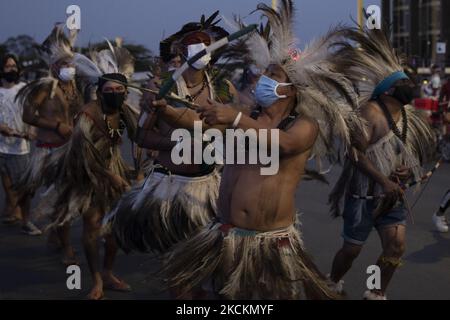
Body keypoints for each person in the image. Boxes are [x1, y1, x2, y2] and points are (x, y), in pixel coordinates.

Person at [154, 0, 363, 299]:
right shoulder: (248, 115)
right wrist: (165, 111)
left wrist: (235, 118)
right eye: (265, 73)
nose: (264, 79)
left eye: (274, 76)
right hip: (223, 234)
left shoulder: (303, 125)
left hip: (267, 242)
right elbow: (198, 123)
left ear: (291, 89)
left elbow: (285, 144)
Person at [108, 11, 237, 255]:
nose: (200, 48)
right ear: (180, 49)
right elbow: (141, 136)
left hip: (207, 183)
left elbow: (229, 127)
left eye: (205, 43)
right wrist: (175, 144)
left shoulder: (223, 87)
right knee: (175, 257)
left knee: (207, 257)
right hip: (169, 184)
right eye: (193, 43)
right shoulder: (159, 87)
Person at [327, 26, 436, 300]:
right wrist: (383, 180)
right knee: (352, 250)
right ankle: (332, 281)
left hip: (391, 199)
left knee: (395, 247)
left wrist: (405, 169)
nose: (409, 87)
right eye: (403, 83)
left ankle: (375, 291)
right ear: (387, 91)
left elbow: (405, 152)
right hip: (363, 197)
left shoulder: (408, 116)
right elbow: (355, 154)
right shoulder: (369, 112)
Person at [39, 43, 140, 300]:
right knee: (93, 226)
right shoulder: (88, 115)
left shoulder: (124, 110)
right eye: (110, 90)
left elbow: (140, 139)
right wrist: (112, 176)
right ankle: (96, 280)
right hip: (86, 172)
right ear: (99, 91)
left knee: (115, 229)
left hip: (113, 167)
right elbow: (85, 157)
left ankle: (108, 272)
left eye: (120, 89)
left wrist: (138, 170)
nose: (115, 93)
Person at [15, 24, 84, 262]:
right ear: (54, 66)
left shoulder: (74, 87)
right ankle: (65, 248)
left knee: (65, 199)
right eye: (64, 65)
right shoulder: (45, 87)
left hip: (69, 151)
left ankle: (56, 234)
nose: (69, 69)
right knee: (59, 199)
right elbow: (27, 115)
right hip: (48, 152)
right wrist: (55, 126)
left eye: (71, 64)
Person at [0, 54, 37, 234]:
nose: (12, 69)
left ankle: (26, 220)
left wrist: (31, 130)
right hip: (1, 147)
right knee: (7, 184)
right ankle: (12, 210)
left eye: (14, 65)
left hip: (19, 149)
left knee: (24, 188)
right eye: (8, 66)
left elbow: (31, 114)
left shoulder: (24, 89)